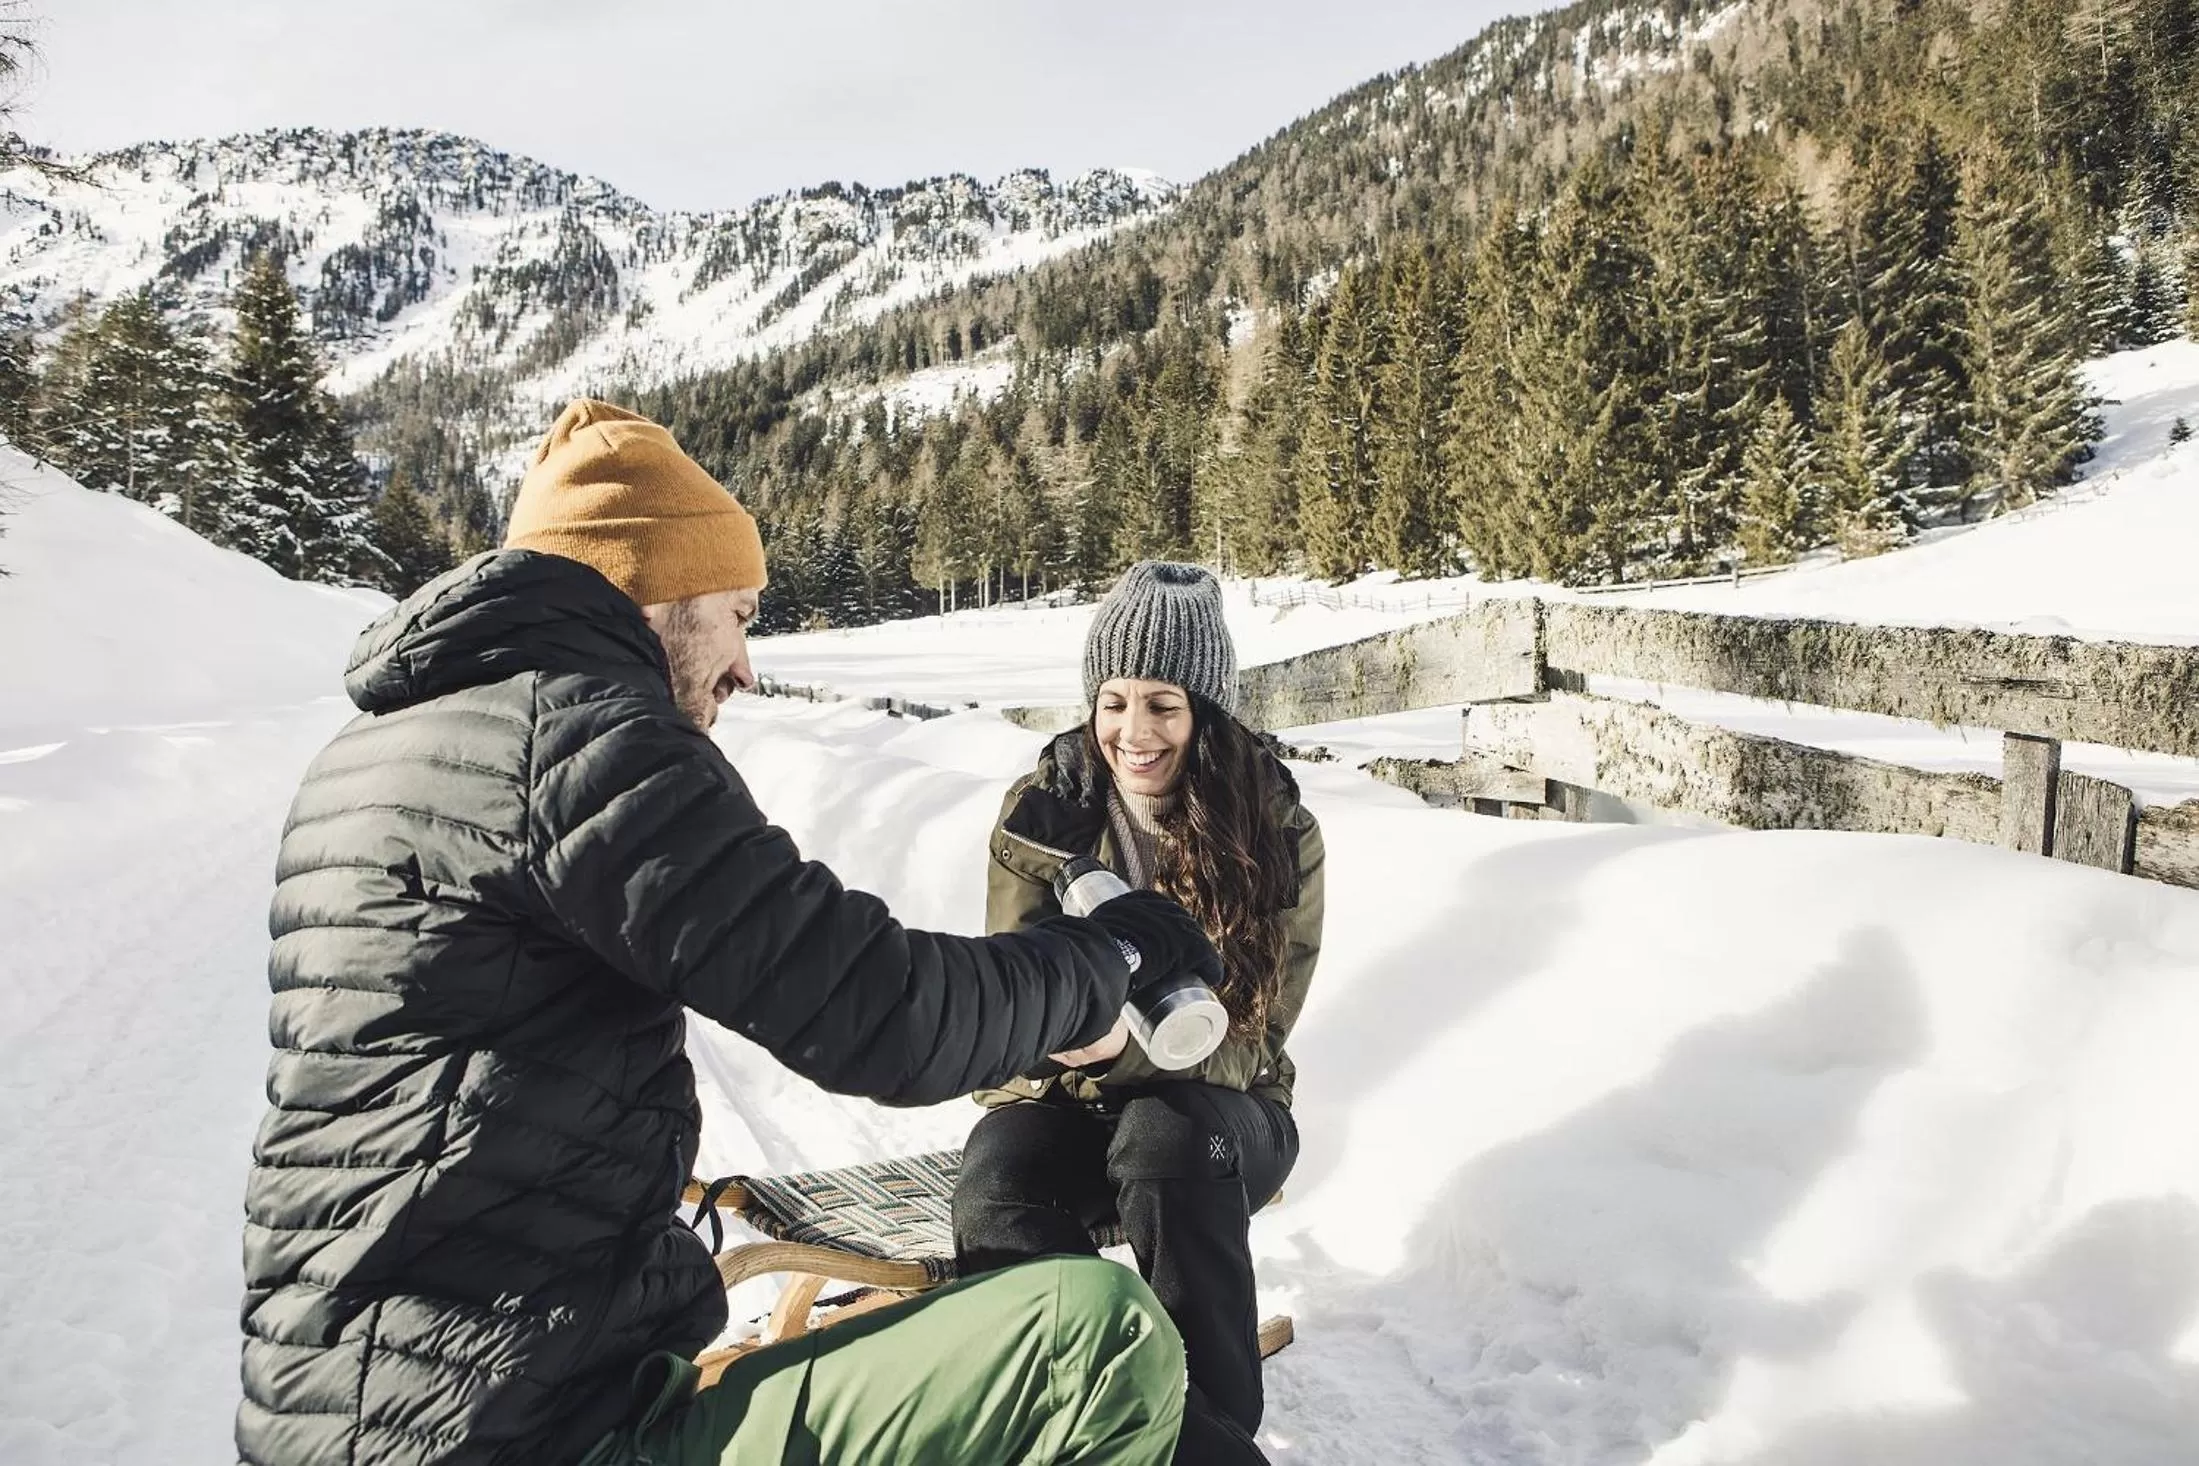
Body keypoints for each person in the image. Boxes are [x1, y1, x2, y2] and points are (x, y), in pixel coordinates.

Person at [238, 401, 1222, 1466]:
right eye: (741, 611)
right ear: (657, 589)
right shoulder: (584, 743)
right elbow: (882, 1012)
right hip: (526, 1430)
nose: (747, 662)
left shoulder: (382, 743)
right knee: (1094, 1337)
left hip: (368, 1411)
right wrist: (1115, 954)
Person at [953, 561, 1326, 1465]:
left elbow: (1253, 1037)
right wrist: (1041, 1046)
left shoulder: (1275, 831)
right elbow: (1012, 996)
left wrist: (1121, 1050)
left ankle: (1214, 1440)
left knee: (1163, 1138)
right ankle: (1077, 1417)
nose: (1133, 731)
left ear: (1206, 710)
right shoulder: (1043, 819)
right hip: (1070, 1102)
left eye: (1163, 703)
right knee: (997, 1174)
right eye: (1112, 701)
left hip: (1227, 1113)